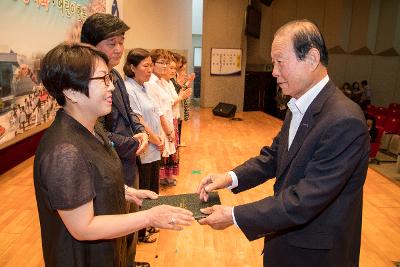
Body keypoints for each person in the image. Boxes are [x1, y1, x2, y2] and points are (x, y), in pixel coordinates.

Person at [197, 19, 369, 267]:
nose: (274, 72)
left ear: (311, 59)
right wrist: (230, 177)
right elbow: (275, 156)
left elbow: (305, 199)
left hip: (315, 255)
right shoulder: (299, 104)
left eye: (280, 62)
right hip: (286, 241)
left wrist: (234, 215)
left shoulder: (344, 120)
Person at [34, 43, 194, 267]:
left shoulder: (92, 128)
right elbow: (83, 227)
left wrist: (128, 192)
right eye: (102, 80)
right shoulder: (64, 151)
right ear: (71, 91)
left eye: (109, 78)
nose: (111, 88)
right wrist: (149, 217)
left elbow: (95, 175)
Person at [80, 13, 149, 267]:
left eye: (122, 41)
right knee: (113, 228)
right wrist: (133, 143)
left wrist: (140, 130)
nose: (119, 48)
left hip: (129, 162)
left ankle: (129, 261)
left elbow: (129, 112)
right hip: (108, 164)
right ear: (90, 45)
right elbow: (96, 133)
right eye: (112, 43)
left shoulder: (116, 75)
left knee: (129, 223)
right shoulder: (84, 83)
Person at [123, 48, 164, 243]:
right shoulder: (129, 89)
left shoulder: (144, 86)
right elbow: (139, 120)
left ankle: (149, 223)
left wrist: (160, 139)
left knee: (152, 187)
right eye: (145, 66)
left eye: (151, 65)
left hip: (155, 145)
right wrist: (155, 139)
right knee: (143, 189)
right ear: (132, 67)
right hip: (146, 147)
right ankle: (140, 232)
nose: (150, 69)